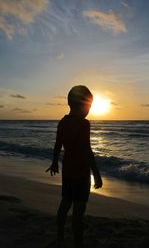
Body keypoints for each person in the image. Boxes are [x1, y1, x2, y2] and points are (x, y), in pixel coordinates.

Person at [46, 85, 103, 248]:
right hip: (82, 173)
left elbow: (57, 145)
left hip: (68, 170)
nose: (89, 110)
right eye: (89, 106)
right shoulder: (84, 124)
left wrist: (54, 161)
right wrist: (96, 174)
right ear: (81, 104)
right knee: (79, 211)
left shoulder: (62, 122)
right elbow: (87, 150)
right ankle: (78, 242)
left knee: (65, 203)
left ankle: (60, 237)